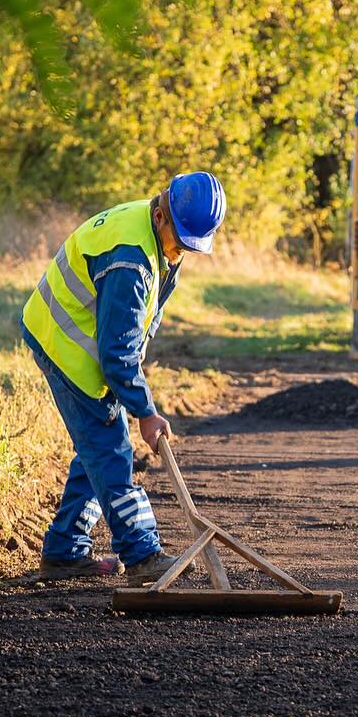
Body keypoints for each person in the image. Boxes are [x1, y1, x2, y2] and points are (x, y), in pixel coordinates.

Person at [21, 172, 226, 583]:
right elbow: (116, 353)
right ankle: (142, 552)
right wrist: (145, 412)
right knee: (111, 452)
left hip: (89, 343)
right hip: (65, 344)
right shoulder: (130, 259)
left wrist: (133, 392)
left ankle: (64, 550)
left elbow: (134, 330)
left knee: (96, 450)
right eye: (179, 241)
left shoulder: (157, 240)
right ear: (161, 214)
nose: (181, 252)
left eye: (190, 246)